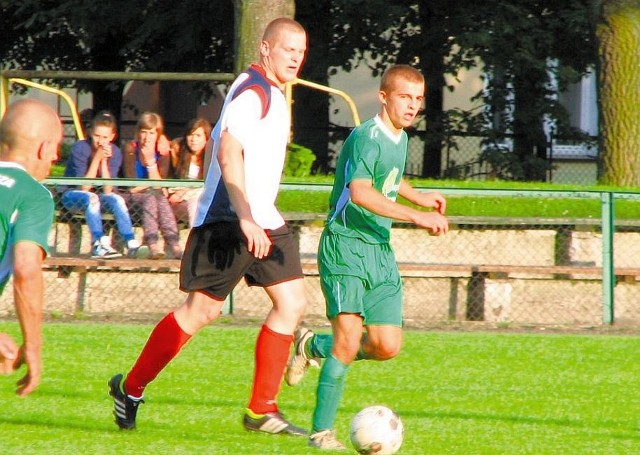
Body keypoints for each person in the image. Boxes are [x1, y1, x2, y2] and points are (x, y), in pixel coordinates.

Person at [108, 17, 309, 435]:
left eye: (301, 51)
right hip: (229, 220)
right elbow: (228, 154)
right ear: (266, 49)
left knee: (292, 302)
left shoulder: (274, 93)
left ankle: (261, 409)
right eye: (288, 49)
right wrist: (246, 215)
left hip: (262, 218)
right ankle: (130, 387)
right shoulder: (252, 93)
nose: (296, 57)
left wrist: (257, 215)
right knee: (202, 311)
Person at [284, 65, 450, 450]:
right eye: (405, 97)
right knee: (348, 342)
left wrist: (419, 196)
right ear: (384, 96)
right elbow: (360, 191)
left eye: (418, 98)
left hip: (379, 249)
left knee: (386, 345)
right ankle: (321, 433)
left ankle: (311, 347)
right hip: (345, 247)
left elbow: (387, 179)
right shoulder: (366, 137)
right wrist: (417, 216)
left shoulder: (399, 138)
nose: (412, 105)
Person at [0, 99, 63, 396]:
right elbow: (26, 269)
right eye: (55, 147)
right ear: (43, 147)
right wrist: (33, 346)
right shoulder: (31, 194)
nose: (56, 157)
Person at [61, 111, 142, 259]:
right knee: (92, 197)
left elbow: (107, 189)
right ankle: (98, 243)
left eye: (105, 137)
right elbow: (84, 187)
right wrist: (97, 159)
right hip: (73, 195)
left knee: (117, 199)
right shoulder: (80, 148)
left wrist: (104, 162)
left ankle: (130, 240)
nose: (100, 141)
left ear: (112, 137)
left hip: (98, 197)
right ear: (91, 132)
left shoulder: (115, 152)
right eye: (97, 136)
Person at [121, 112, 182, 259]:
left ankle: (174, 244)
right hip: (129, 198)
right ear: (138, 132)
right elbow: (132, 187)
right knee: (152, 197)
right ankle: (153, 243)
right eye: (143, 132)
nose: (147, 138)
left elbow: (159, 188)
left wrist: (151, 163)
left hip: (153, 199)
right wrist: (152, 181)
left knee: (158, 198)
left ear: (158, 135)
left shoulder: (162, 152)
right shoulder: (130, 149)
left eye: (152, 133)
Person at [167, 118, 213, 227]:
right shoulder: (178, 150)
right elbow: (164, 142)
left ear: (206, 138)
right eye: (190, 135)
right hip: (179, 203)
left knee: (197, 198)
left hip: (197, 199)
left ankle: (194, 233)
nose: (193, 139)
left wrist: (184, 192)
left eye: (198, 135)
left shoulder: (210, 157)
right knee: (194, 202)